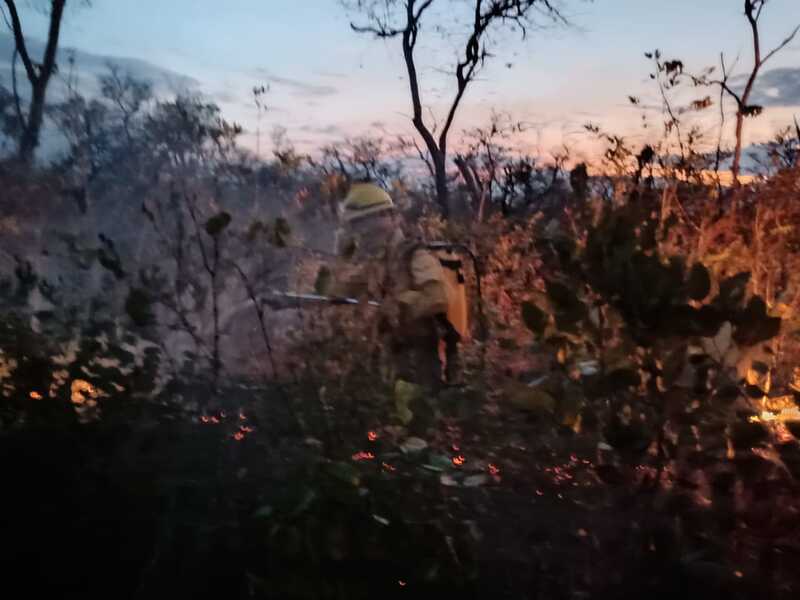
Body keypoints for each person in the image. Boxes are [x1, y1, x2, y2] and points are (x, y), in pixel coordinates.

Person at [326, 181, 467, 391]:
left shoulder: (415, 254)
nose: (362, 230)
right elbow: (338, 292)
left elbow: (439, 296)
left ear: (389, 218)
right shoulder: (377, 260)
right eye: (357, 224)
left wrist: (397, 305)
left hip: (420, 363)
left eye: (366, 222)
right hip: (389, 358)